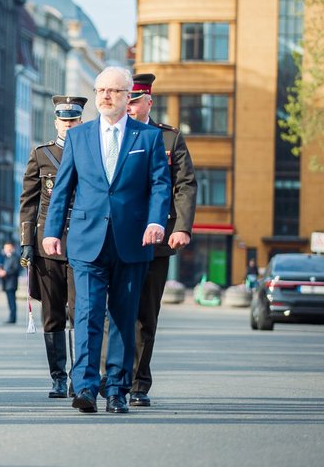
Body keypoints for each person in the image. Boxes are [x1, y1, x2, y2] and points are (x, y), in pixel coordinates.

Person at [42, 66, 170, 415]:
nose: (106, 96)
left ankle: (117, 389)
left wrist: (157, 222)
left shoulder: (148, 138)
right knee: (86, 315)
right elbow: (63, 188)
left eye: (114, 91)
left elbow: (161, 185)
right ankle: (84, 387)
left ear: (129, 97)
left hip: (132, 242)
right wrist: (52, 232)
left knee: (124, 318)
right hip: (86, 241)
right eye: (101, 91)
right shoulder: (79, 137)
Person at [126, 73, 195, 408]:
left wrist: (181, 227)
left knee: (144, 315)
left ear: (148, 102)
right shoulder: (106, 135)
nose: (130, 105)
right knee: (110, 311)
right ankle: (110, 377)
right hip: (114, 237)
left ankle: (138, 383)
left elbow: (184, 185)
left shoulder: (169, 138)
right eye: (127, 98)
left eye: (136, 100)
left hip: (155, 242)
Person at [18, 95, 86, 398]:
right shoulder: (41, 154)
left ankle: (79, 375)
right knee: (53, 313)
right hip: (48, 244)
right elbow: (29, 201)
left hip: (83, 242)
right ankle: (58, 377)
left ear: (81, 121)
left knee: (81, 312)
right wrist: (26, 243)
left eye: (74, 119)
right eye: (64, 119)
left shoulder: (91, 151)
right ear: (55, 121)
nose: (69, 125)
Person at [0, 242, 20, 323]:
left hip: (12, 283)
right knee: (10, 301)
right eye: (5, 248)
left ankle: (12, 318)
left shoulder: (15, 257)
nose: (6, 249)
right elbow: (1, 265)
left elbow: (16, 269)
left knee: (12, 301)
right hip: (6, 283)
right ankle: (11, 317)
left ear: (12, 248)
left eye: (8, 247)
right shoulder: (4, 257)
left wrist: (5, 272)